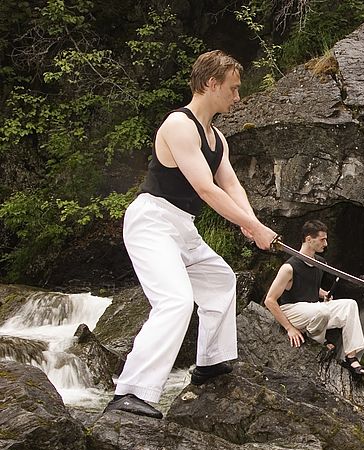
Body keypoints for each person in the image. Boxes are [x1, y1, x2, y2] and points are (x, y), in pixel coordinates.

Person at [104, 50, 278, 419]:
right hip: (151, 221)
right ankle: (129, 392)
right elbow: (206, 189)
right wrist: (252, 226)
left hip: (182, 226)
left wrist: (251, 221)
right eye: (232, 89)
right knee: (176, 301)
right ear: (211, 84)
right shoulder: (179, 125)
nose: (237, 97)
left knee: (220, 280)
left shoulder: (217, 139)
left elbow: (229, 184)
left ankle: (209, 364)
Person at [263, 220, 364, 376]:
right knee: (321, 311)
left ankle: (351, 358)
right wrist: (289, 329)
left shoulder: (320, 264)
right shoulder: (289, 268)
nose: (325, 244)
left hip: (313, 311)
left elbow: (307, 283)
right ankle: (317, 341)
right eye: (322, 239)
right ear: (308, 239)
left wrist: (324, 294)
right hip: (292, 311)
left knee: (350, 305)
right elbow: (270, 300)